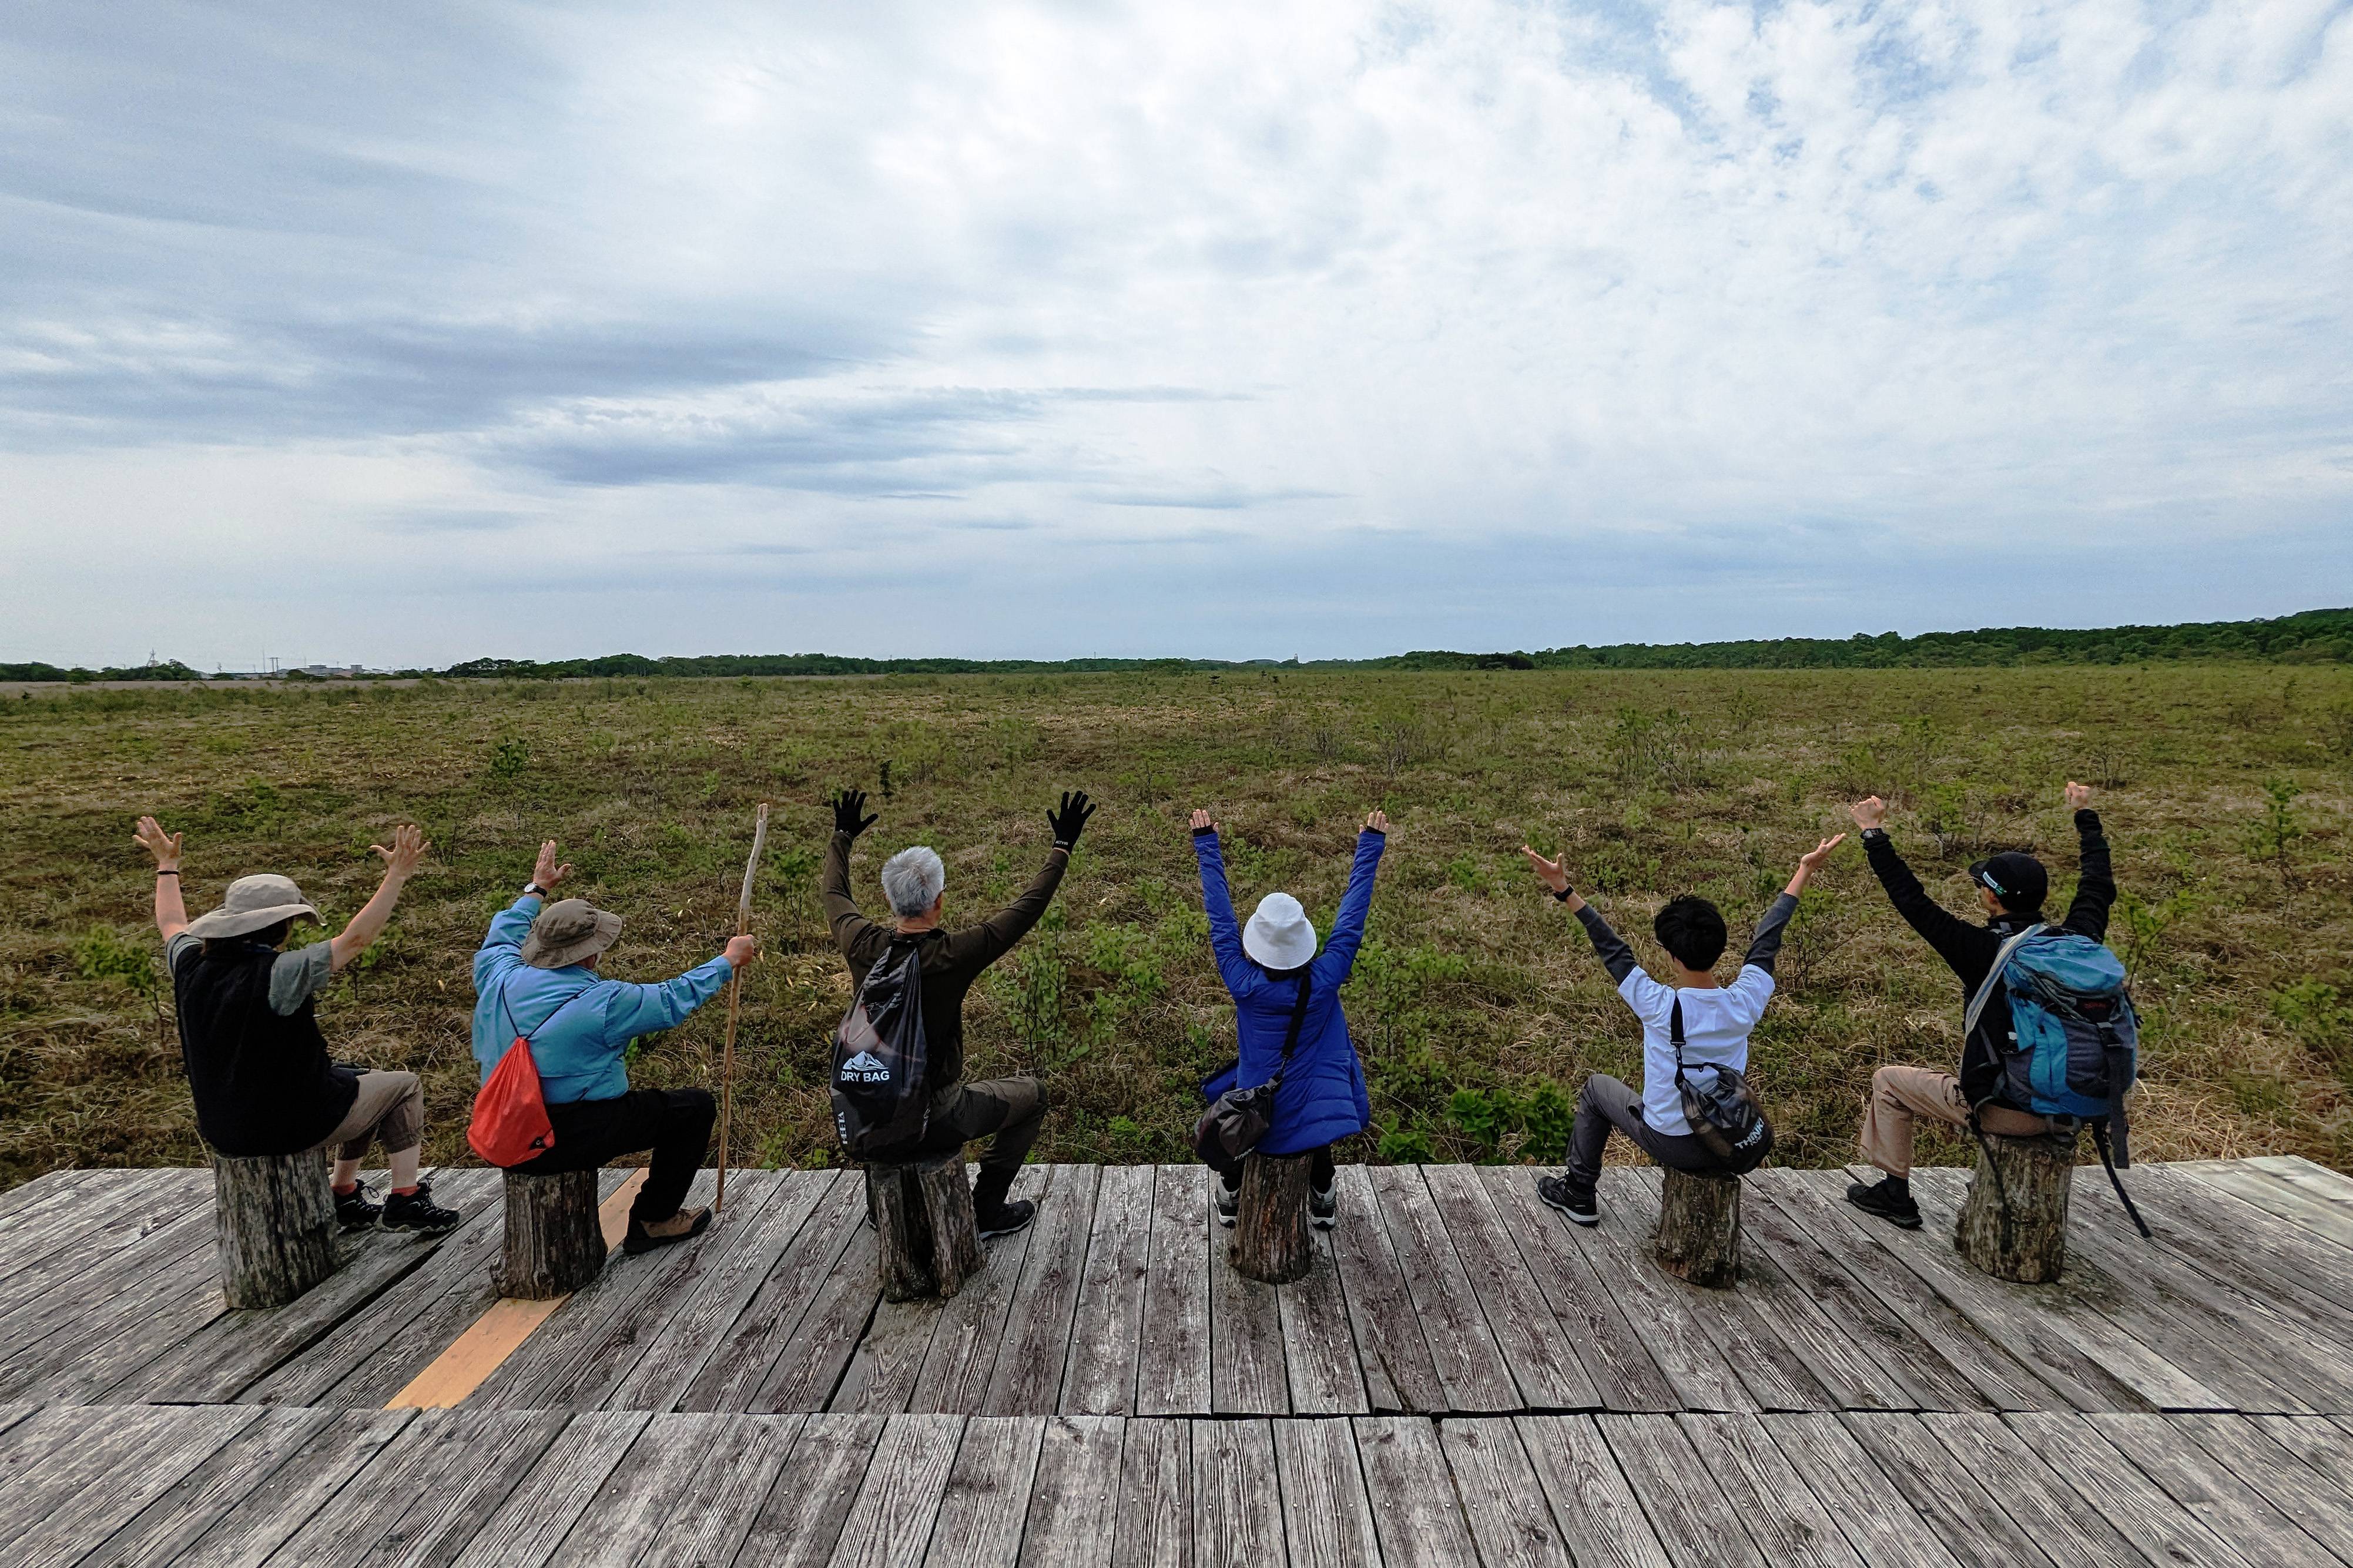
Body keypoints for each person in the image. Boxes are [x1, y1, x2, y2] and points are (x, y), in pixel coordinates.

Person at [135, 815, 460, 1233]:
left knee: (357, 1078)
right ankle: (405, 1198)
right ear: (282, 925)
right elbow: (356, 939)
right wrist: (397, 875)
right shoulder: (282, 972)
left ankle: (342, 1193)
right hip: (288, 1125)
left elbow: (170, 922)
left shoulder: (190, 964)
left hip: (224, 1127)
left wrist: (167, 864)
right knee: (402, 1086)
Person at [1522, 834, 1843, 1224]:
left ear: (1672, 956)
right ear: (1720, 947)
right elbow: (1767, 940)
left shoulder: (1659, 1005)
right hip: (1729, 1141)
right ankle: (1579, 1191)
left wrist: (1563, 889)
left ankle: (1578, 1192)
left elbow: (1613, 949)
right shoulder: (1745, 1002)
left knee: (1595, 1091)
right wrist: (1804, 870)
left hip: (1672, 1142)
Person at [1842, 781, 2116, 1228]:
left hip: (2008, 1112)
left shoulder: (1982, 951)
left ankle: (1894, 1193)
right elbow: (2098, 883)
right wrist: (2085, 814)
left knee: (1888, 1082)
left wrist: (1873, 832)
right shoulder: (2078, 942)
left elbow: (1912, 901)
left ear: (1991, 897)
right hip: (2072, 1111)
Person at [823, 786, 1094, 1237]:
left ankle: (881, 1209)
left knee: (879, 1088)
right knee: (1035, 1096)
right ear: (939, 900)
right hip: (937, 1113)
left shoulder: (861, 944)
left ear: (890, 901)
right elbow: (1024, 910)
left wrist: (842, 835)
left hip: (868, 1113)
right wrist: (1061, 847)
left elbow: (834, 892)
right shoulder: (952, 955)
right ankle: (986, 1210)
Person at [471, 840, 757, 1254]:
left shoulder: (497, 973)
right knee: (693, 1110)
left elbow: (503, 933)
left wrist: (536, 889)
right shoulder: (603, 1002)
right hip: (561, 1137)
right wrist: (727, 961)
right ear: (590, 954)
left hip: (501, 1127)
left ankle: (650, 1219)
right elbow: (671, 999)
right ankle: (653, 1219)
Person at [1191, 807, 1389, 1228]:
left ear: (1257, 945)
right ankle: (1323, 1201)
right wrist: (1369, 845)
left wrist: (1207, 844)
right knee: (1309, 1121)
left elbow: (1221, 923)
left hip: (1256, 1115)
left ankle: (1230, 1196)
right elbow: (1350, 924)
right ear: (1303, 942)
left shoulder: (1242, 980)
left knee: (1250, 1121)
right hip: (1310, 1119)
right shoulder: (1325, 978)